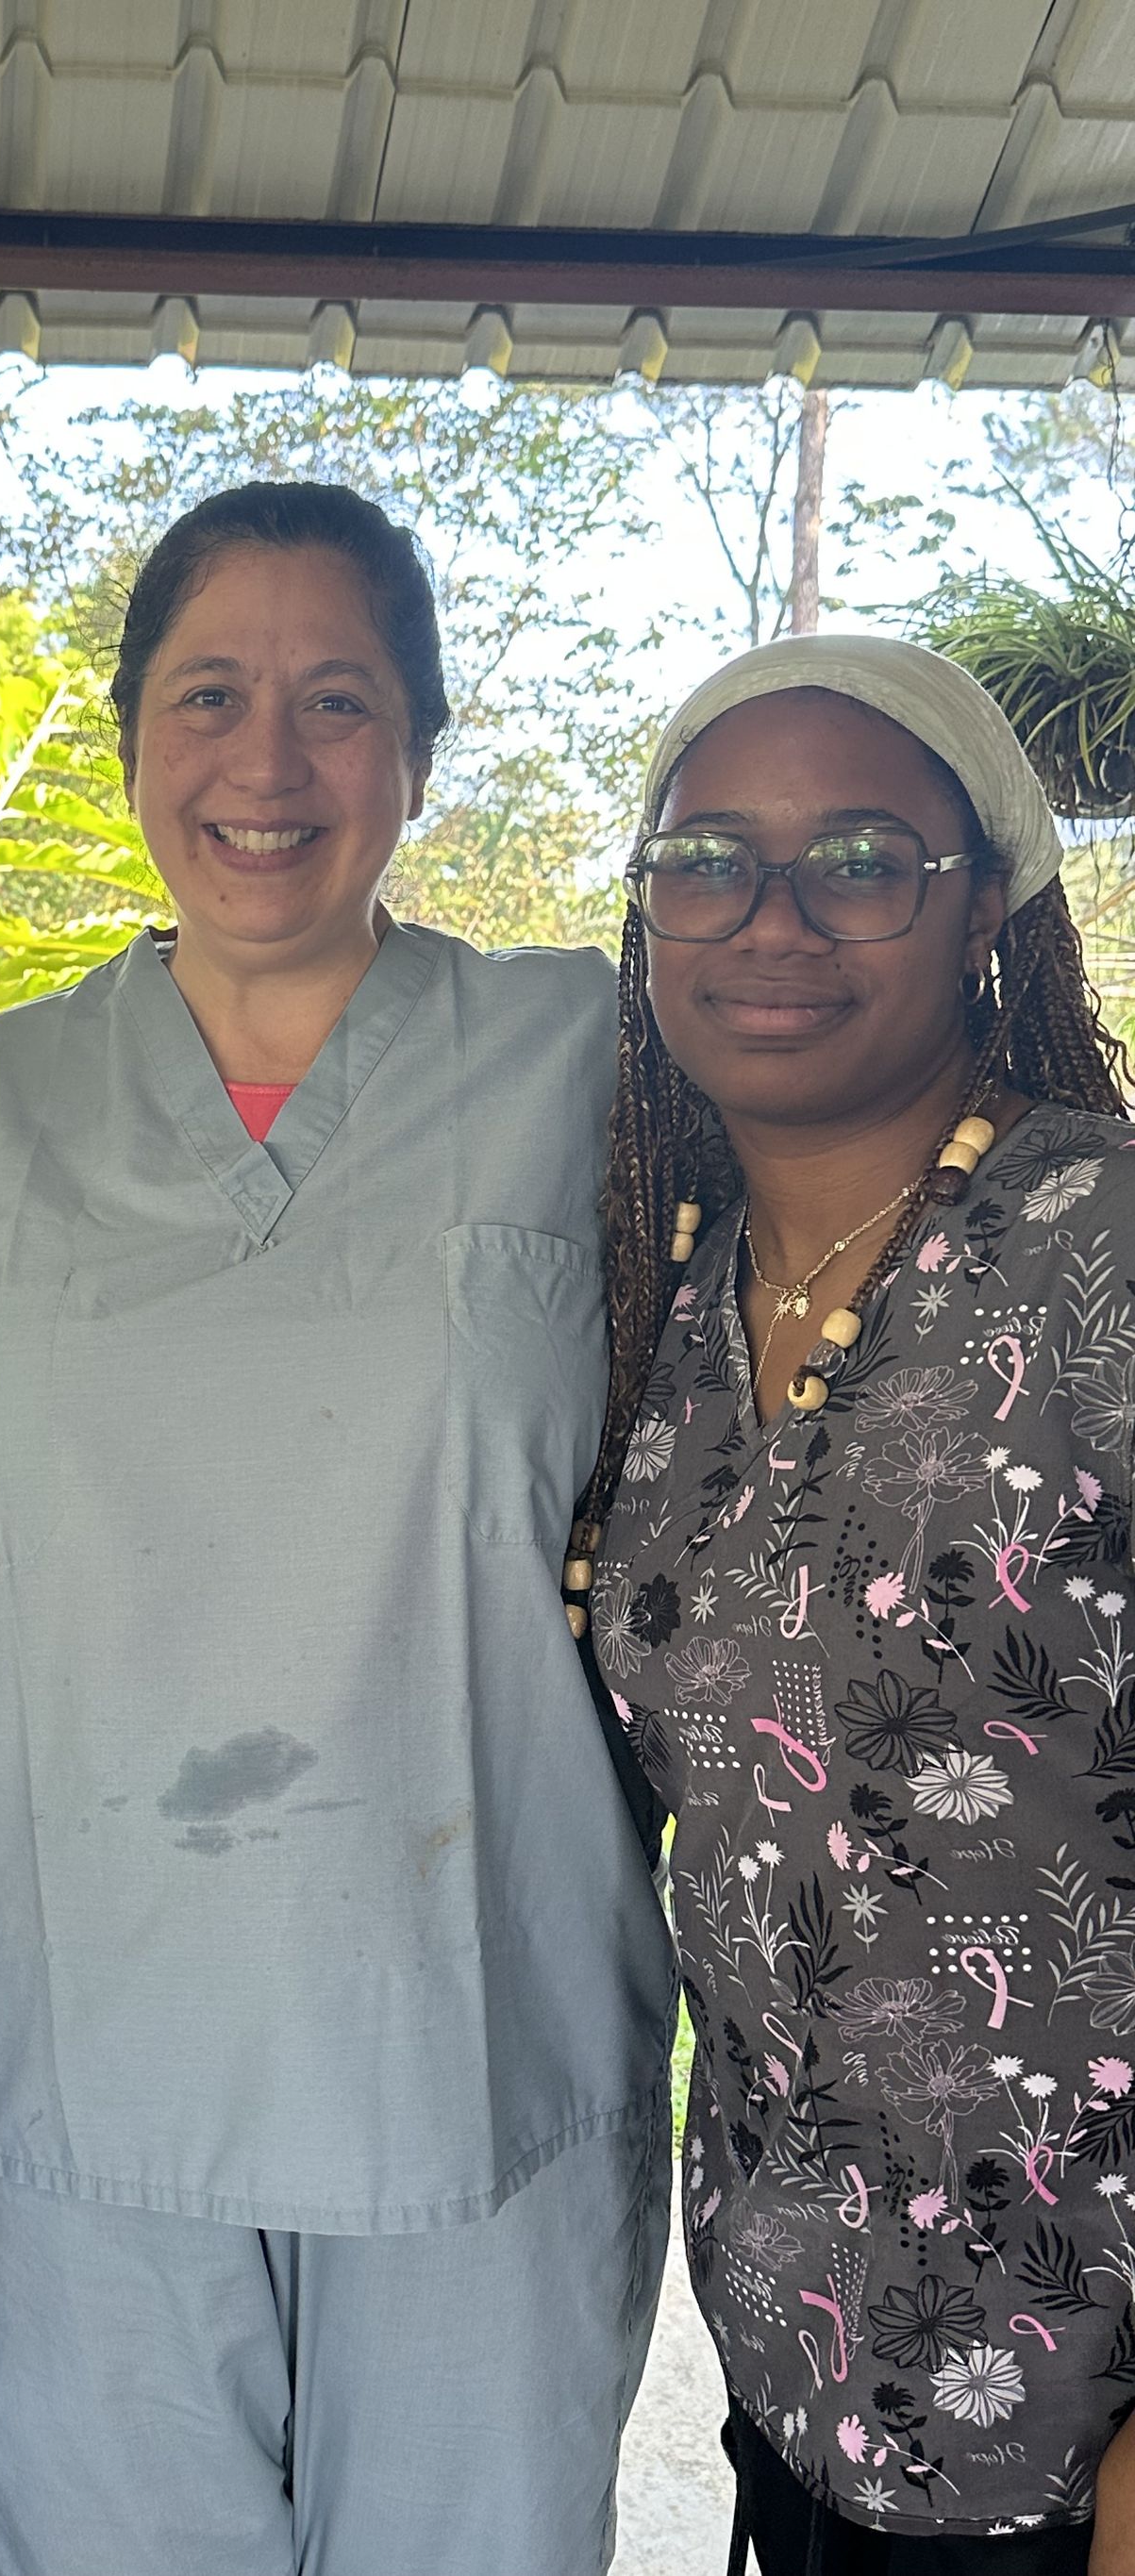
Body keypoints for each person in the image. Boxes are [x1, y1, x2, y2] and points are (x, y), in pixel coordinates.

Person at [0, 480, 674, 2576]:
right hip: (84, 2050)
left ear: (417, 746)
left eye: (337, 700)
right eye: (209, 693)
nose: (268, 762)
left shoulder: (584, 1063)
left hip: (475, 2035)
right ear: (133, 734)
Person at [584, 634, 1135, 2571]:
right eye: (706, 857)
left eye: (860, 860)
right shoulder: (671, 1311)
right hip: (809, 2388)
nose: (771, 920)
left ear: (982, 901)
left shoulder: (1097, 1250)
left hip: (1089, 2424)